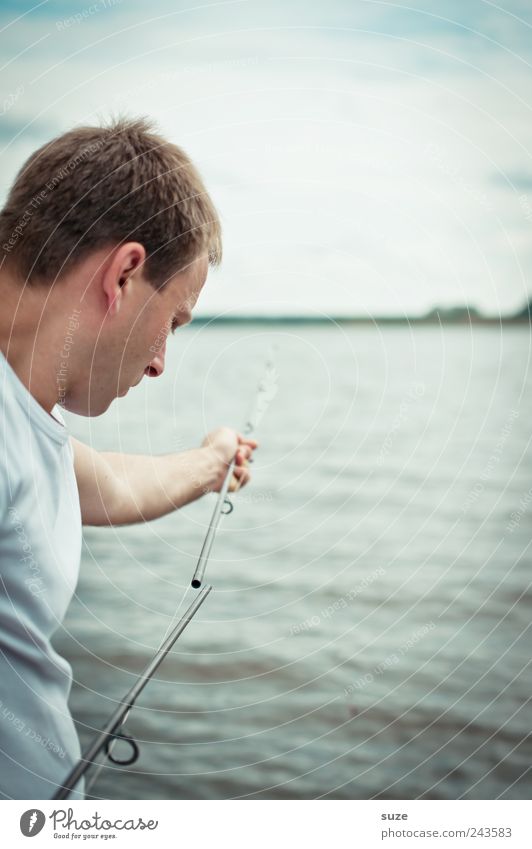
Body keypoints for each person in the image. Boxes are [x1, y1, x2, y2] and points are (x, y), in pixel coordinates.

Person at [0, 117, 257, 800]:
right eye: (172, 322)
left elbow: (103, 484)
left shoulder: (23, 422)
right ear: (125, 272)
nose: (160, 364)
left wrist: (213, 461)